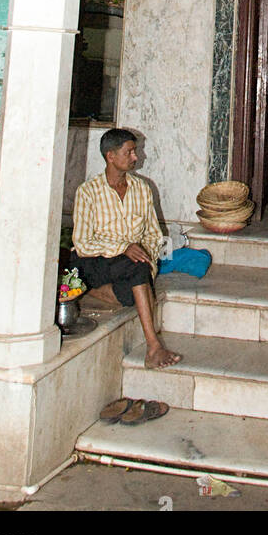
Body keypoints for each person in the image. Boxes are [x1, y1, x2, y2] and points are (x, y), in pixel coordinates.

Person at [72, 128, 181, 369]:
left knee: (134, 286)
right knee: (136, 274)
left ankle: (89, 290)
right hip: (96, 259)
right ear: (110, 156)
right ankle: (153, 346)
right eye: (129, 152)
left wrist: (149, 259)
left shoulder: (142, 189)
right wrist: (123, 247)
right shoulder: (88, 192)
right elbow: (82, 243)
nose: (135, 157)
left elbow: (153, 234)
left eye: (135, 151)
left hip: (130, 264)